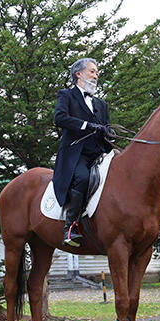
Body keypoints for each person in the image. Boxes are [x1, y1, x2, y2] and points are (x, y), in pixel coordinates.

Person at [52, 58, 115, 246]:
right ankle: (70, 227)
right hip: (76, 155)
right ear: (78, 74)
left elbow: (105, 128)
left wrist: (110, 135)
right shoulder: (66, 96)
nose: (96, 76)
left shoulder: (101, 104)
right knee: (83, 178)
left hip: (99, 154)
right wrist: (88, 125)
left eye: (96, 72)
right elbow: (60, 118)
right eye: (92, 71)